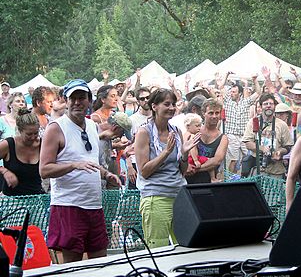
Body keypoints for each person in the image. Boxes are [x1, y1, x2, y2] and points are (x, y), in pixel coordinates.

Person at [40, 79, 122, 263]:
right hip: (68, 206)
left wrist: (107, 174)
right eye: (73, 98)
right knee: (73, 266)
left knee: (101, 263)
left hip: (94, 205)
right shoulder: (55, 128)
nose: (77, 102)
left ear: (89, 100)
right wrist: (73, 165)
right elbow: (44, 170)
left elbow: (90, 162)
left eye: (81, 98)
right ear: (66, 101)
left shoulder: (92, 126)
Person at [134, 89, 200, 247]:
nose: (171, 108)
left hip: (178, 196)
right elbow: (144, 171)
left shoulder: (176, 131)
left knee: (184, 246)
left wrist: (184, 154)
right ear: (154, 106)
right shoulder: (144, 132)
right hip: (156, 198)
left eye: (173, 104)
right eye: (167, 104)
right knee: (158, 250)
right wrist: (166, 152)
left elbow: (182, 171)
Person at [243, 93, 293, 179]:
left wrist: (279, 152)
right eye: (266, 104)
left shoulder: (282, 125)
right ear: (261, 106)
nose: (268, 106)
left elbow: (288, 147)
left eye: (271, 104)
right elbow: (248, 143)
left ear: (275, 106)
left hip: (276, 170)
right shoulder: (253, 122)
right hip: (257, 167)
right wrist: (263, 148)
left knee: (275, 192)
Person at [0, 108, 44, 195]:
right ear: (20, 131)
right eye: (29, 134)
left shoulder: (42, 145)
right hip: (12, 199)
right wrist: (4, 171)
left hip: (36, 198)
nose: (33, 137)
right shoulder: (8, 144)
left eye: (36, 133)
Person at [185, 99, 228, 184]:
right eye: (211, 113)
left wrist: (195, 169)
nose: (214, 116)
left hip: (207, 182)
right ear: (204, 113)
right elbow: (184, 151)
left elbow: (217, 161)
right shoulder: (194, 131)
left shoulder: (223, 138)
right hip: (188, 180)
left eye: (217, 113)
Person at [184, 113, 217, 182]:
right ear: (188, 126)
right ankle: (213, 178)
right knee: (210, 161)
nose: (199, 128)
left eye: (200, 125)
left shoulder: (184, 135)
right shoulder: (192, 136)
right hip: (192, 158)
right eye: (197, 126)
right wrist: (196, 160)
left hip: (186, 160)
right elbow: (192, 149)